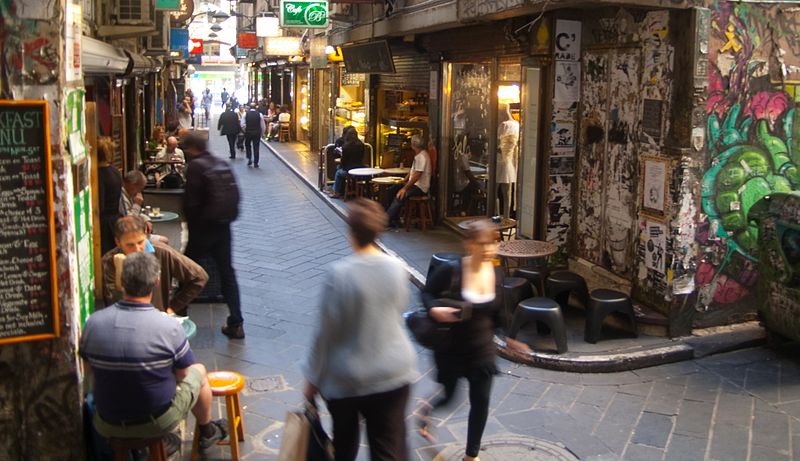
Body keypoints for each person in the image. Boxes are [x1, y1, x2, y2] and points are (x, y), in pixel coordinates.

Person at [303, 198, 417, 461]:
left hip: (348, 377)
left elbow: (325, 334)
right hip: (394, 372)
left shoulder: (339, 275)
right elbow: (399, 307)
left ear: (351, 232)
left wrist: (311, 380)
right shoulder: (397, 269)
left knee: (344, 448)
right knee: (387, 450)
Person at [82, 252, 227, 454]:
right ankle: (207, 429)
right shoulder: (168, 326)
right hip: (156, 421)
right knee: (198, 370)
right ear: (156, 282)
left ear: (122, 283)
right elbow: (183, 375)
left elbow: (88, 371)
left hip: (106, 421)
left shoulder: (93, 323)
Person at [416, 219, 526, 461]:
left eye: (493, 244)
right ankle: (427, 410)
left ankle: (471, 455)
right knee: (449, 396)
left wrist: (510, 339)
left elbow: (499, 312)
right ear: (469, 244)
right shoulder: (452, 270)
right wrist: (434, 309)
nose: (488, 250)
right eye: (483, 244)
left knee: (481, 401)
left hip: (481, 350)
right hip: (451, 348)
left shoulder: (496, 271)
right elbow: (426, 292)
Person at [182, 133, 245, 339]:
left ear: (192, 149)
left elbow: (190, 203)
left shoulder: (196, 167)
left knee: (186, 270)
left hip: (202, 229)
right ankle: (236, 322)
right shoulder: (220, 162)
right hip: (223, 228)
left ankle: (177, 315)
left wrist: (193, 225)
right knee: (227, 273)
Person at [102, 216, 208, 316]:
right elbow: (114, 301)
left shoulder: (162, 252)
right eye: (130, 245)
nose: (137, 249)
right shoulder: (110, 260)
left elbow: (199, 277)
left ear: (146, 235)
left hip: (157, 317)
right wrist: (119, 270)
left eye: (140, 242)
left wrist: (173, 307)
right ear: (118, 242)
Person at [386, 135, 432, 227]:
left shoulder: (421, 157)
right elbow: (413, 171)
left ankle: (387, 220)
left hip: (420, 187)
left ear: (414, 145)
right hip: (415, 184)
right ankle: (394, 218)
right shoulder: (419, 155)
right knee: (392, 190)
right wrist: (404, 180)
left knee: (400, 196)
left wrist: (405, 188)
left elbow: (417, 175)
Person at [119, 170, 169, 244]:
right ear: (133, 185)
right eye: (140, 188)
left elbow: (137, 214)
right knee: (163, 241)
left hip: (136, 230)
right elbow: (129, 220)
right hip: (129, 234)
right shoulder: (122, 198)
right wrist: (137, 205)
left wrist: (146, 219)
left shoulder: (130, 195)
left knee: (164, 240)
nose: (140, 191)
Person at [97, 137, 122, 255]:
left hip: (104, 225)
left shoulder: (99, 176)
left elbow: (100, 206)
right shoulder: (115, 171)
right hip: (114, 219)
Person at [496, 104, 519, 218]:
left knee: (494, 190)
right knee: (507, 192)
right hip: (510, 161)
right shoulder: (517, 125)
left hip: (500, 160)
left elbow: (497, 143)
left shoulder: (503, 125)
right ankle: (506, 216)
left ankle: (495, 216)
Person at [331, 127, 365, 198]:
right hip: (360, 170)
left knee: (338, 172)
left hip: (349, 171)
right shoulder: (361, 144)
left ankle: (337, 192)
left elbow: (344, 162)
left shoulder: (346, 146)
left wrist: (341, 165)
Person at [240, 102, 265, 167]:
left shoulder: (245, 114)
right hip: (257, 132)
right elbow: (262, 125)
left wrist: (245, 130)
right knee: (256, 147)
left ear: (250, 107)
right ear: (255, 107)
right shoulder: (260, 114)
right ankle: (256, 162)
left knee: (248, 145)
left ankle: (249, 158)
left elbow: (242, 124)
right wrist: (262, 133)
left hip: (248, 132)